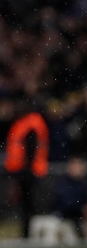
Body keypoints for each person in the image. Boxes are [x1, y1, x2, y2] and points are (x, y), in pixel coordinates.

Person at [3, 102, 50, 239]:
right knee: (27, 205)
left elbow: (30, 148)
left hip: (27, 171)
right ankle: (27, 233)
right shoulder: (29, 123)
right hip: (26, 170)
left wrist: (26, 170)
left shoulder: (30, 124)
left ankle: (27, 234)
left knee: (28, 205)